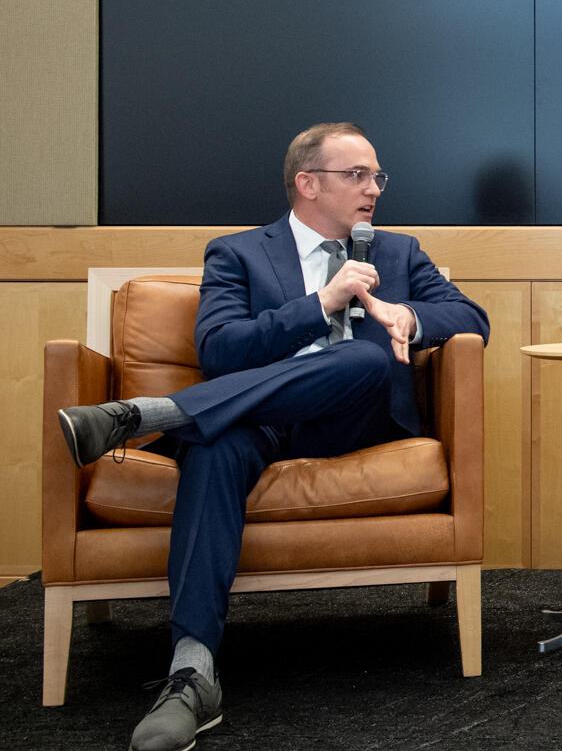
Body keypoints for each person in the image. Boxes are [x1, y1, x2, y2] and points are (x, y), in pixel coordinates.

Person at [56, 122, 489, 751]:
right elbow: (221, 350)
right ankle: (191, 673)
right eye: (356, 175)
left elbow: (472, 317)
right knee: (214, 444)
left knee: (365, 360)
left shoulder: (397, 252)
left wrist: (410, 314)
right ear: (307, 183)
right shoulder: (238, 253)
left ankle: (148, 416)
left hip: (350, 421)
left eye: (377, 176)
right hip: (252, 420)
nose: (373, 189)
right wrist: (320, 304)